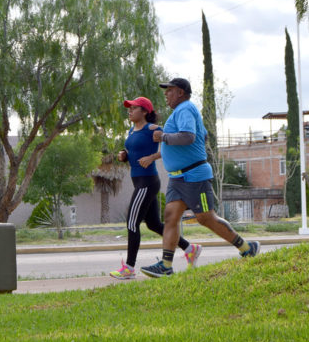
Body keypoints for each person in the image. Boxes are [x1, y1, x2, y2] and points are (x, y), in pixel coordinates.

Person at [140, 78, 260, 278]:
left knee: (206, 219)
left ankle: (247, 247)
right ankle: (166, 265)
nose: (166, 95)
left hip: (194, 176)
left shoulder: (185, 109)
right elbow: (203, 136)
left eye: (169, 91)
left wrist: (164, 137)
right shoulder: (181, 112)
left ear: (180, 92)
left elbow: (189, 137)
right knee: (170, 218)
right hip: (177, 179)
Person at [109, 96, 202, 280]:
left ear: (145, 111)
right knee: (153, 224)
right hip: (139, 180)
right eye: (129, 108)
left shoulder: (152, 129)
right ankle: (190, 248)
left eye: (134, 108)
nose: (129, 111)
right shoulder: (132, 130)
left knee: (131, 223)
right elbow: (134, 151)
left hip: (147, 182)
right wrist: (124, 155)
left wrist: (152, 157)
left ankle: (129, 268)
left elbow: (172, 145)